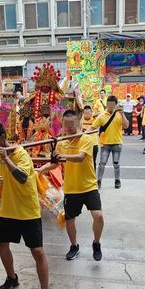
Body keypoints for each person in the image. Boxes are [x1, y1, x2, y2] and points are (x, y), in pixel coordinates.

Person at [0, 121, 51, 289]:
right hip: (7, 210)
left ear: (3, 138)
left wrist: (6, 159)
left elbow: (21, 177)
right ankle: (12, 278)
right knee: (1, 245)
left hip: (28, 212)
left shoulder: (21, 155)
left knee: (37, 252)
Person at [39, 110, 104, 262]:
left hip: (89, 186)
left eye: (71, 125)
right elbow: (55, 163)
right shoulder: (62, 142)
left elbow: (80, 157)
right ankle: (74, 246)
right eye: (66, 125)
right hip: (71, 188)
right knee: (70, 220)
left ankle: (96, 243)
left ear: (78, 123)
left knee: (99, 216)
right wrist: (42, 169)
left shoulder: (86, 139)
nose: (69, 128)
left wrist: (63, 156)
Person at [92, 95, 129, 189]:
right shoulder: (102, 116)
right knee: (102, 163)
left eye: (112, 106)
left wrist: (123, 114)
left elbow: (126, 126)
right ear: (107, 104)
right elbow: (92, 127)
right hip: (105, 144)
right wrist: (83, 133)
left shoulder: (119, 115)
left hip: (117, 143)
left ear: (116, 105)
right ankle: (99, 181)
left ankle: (117, 180)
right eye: (109, 106)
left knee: (116, 163)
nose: (110, 108)